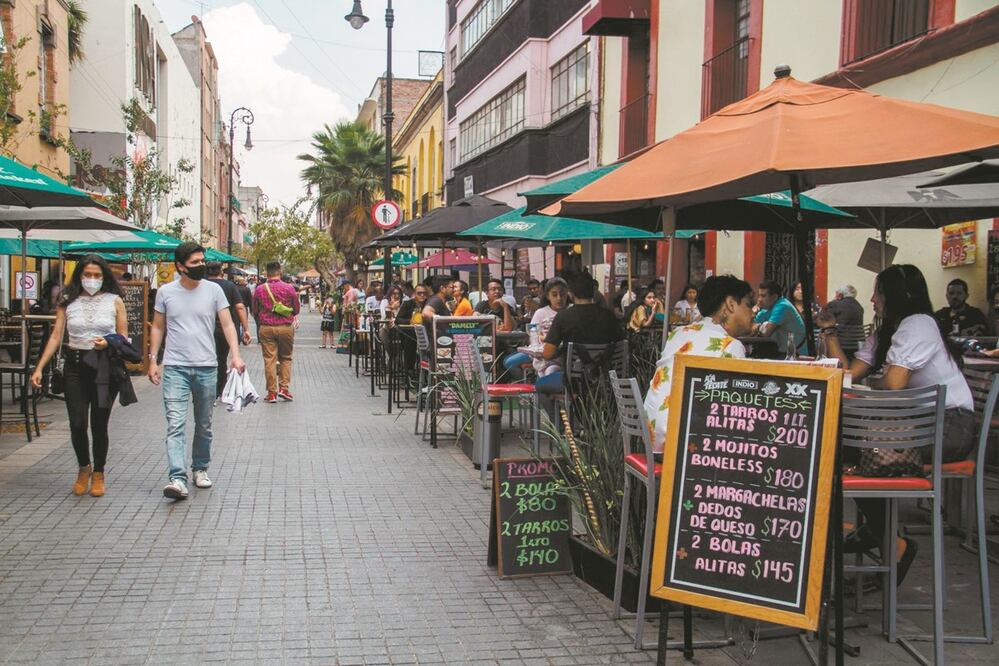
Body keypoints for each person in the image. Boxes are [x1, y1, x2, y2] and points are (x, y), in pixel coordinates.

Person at [818, 264, 975, 584]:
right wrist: (829, 330)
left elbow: (893, 383)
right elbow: (848, 372)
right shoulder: (888, 329)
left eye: (879, 292)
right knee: (844, 450)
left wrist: (874, 383)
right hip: (921, 427)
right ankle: (881, 533)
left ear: (897, 295)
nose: (873, 299)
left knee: (851, 452)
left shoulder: (918, 324)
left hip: (950, 429)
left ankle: (894, 544)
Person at [148, 242, 246, 500]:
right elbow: (158, 327)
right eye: (195, 263)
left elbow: (227, 324)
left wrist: (235, 356)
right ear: (180, 266)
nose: (201, 265)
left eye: (202, 261)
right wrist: (152, 360)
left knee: (204, 424)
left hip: (206, 366)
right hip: (175, 367)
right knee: (176, 424)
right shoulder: (166, 293)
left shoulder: (214, 290)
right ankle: (177, 478)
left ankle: (200, 468)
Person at [31, 255, 129, 498]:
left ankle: (99, 472)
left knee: (99, 423)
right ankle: (83, 467)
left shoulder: (115, 301)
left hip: (104, 367)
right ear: (79, 276)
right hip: (75, 365)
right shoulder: (68, 301)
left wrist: (107, 342)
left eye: (97, 275)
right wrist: (39, 367)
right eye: (88, 275)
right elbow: (56, 336)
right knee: (76, 423)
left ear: (104, 276)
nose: (92, 280)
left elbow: (124, 338)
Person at [645, 275, 755, 453]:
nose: (754, 311)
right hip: (686, 447)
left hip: (653, 440)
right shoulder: (730, 346)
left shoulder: (678, 334)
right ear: (731, 304)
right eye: (749, 304)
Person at [540, 273, 624, 392]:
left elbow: (547, 354)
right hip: (608, 382)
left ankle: (564, 410)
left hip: (575, 383)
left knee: (540, 385)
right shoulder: (609, 316)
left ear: (570, 293)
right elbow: (621, 345)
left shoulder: (563, 317)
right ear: (594, 291)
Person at [252, 261, 301, 404]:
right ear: (280, 272)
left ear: (267, 273)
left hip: (266, 328)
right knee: (286, 357)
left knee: (270, 360)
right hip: (285, 327)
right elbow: (296, 309)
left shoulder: (260, 289)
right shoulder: (289, 288)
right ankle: (284, 389)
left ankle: (272, 393)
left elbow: (254, 310)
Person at [206, 263, 251, 399]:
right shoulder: (230, 286)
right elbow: (240, 307)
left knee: (206, 359)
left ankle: (207, 388)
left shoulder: (201, 285)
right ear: (221, 272)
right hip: (224, 329)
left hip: (205, 329)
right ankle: (219, 388)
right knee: (221, 358)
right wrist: (246, 328)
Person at [752, 279, 805, 356]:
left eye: (763, 296)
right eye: (759, 295)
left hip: (797, 354)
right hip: (782, 353)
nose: (759, 300)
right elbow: (748, 327)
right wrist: (754, 312)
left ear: (774, 297)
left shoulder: (783, 306)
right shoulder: (765, 309)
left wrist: (756, 328)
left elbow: (765, 334)